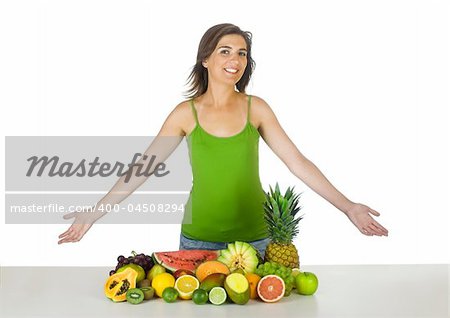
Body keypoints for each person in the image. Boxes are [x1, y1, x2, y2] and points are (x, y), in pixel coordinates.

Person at [58, 24, 388, 255]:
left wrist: (349, 208)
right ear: (205, 59)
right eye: (225, 51)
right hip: (198, 241)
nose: (235, 60)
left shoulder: (256, 108)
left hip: (258, 241)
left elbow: (297, 162)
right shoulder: (184, 114)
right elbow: (142, 170)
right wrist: (93, 213)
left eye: (242, 54)